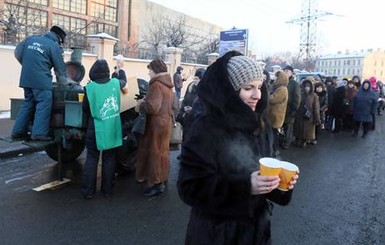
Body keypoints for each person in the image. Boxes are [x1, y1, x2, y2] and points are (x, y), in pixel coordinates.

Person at [177, 51, 298, 245]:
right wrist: (245, 186)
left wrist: (280, 183)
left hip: (257, 233)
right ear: (231, 91)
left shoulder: (261, 125)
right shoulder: (207, 128)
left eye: (259, 87)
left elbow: (266, 176)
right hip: (216, 235)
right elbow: (189, 187)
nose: (257, 95)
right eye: (248, 88)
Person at [11, 25, 67, 141]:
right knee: (44, 103)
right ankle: (39, 133)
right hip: (41, 81)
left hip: (26, 78)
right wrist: (65, 84)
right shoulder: (54, 46)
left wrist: (28, 65)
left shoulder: (30, 39)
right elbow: (60, 70)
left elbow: (17, 52)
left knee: (28, 103)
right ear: (59, 38)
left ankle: (18, 131)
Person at [81, 59, 123, 199]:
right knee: (109, 158)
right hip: (111, 129)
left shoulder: (89, 88)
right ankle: (107, 189)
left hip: (94, 129)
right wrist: (119, 70)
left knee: (92, 159)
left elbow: (85, 109)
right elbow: (123, 81)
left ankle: (88, 192)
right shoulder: (115, 84)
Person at [135, 59, 174, 197]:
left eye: (150, 69)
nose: (149, 72)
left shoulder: (156, 85)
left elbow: (153, 107)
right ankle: (162, 178)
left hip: (155, 125)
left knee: (154, 153)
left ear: (156, 70)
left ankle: (156, 184)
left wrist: (141, 104)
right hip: (165, 123)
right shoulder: (167, 84)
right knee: (162, 152)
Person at [176, 68, 205, 141]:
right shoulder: (190, 86)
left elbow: (206, 110)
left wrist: (193, 110)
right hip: (187, 121)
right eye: (194, 78)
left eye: (197, 79)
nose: (195, 80)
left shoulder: (206, 92)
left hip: (198, 125)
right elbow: (185, 100)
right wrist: (184, 108)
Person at [293, 79, 320, 147]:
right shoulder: (300, 94)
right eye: (305, 86)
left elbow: (316, 108)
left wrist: (317, 119)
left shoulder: (314, 96)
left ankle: (304, 141)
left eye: (308, 86)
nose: (307, 88)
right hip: (300, 114)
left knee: (307, 131)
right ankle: (298, 140)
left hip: (309, 116)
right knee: (299, 128)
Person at [267, 70, 288, 158]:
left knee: (274, 134)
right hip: (274, 115)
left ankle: (275, 150)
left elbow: (273, 99)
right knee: (272, 133)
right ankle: (273, 149)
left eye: (276, 76)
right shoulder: (279, 88)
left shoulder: (282, 89)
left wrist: (267, 95)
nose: (275, 78)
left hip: (276, 116)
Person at [281, 65, 301, 149]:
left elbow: (297, 97)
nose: (285, 73)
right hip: (281, 109)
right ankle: (282, 140)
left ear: (291, 73)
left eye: (287, 71)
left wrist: (294, 109)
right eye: (284, 71)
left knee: (288, 127)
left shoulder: (294, 83)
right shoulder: (282, 82)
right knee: (282, 126)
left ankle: (287, 142)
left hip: (289, 109)